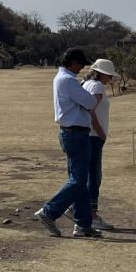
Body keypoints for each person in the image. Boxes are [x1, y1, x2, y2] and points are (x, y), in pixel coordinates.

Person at [32, 48, 102, 238]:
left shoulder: (62, 78)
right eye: (80, 64)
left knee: (79, 181)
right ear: (73, 63)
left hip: (72, 133)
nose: (81, 68)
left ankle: (83, 224)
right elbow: (90, 103)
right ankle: (49, 212)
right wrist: (89, 96)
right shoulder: (68, 80)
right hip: (76, 134)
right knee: (78, 181)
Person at [83, 58, 119, 231]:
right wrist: (100, 132)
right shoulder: (96, 87)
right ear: (101, 74)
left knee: (88, 175)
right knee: (94, 176)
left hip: (87, 135)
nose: (110, 79)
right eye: (109, 76)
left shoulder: (86, 84)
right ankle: (92, 215)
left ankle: (81, 208)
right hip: (93, 137)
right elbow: (89, 109)